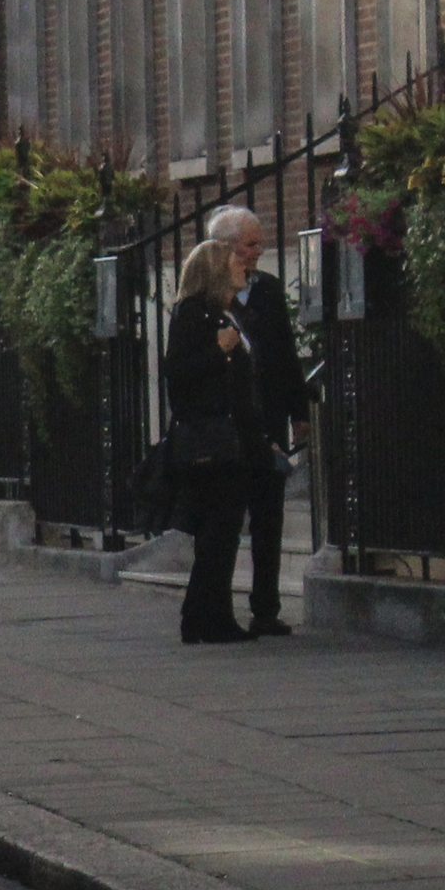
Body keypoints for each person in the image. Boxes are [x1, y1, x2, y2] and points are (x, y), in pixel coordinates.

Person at [205, 206, 311, 636]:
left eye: (259, 243)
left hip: (268, 418)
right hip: (229, 428)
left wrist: (299, 412)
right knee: (227, 520)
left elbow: (284, 353)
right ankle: (216, 607)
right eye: (250, 244)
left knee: (269, 516)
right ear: (228, 248)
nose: (258, 252)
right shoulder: (206, 295)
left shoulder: (266, 289)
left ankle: (265, 607)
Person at [163, 240, 264, 645]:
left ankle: (205, 614)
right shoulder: (192, 314)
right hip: (212, 441)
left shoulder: (229, 313)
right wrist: (219, 353)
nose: (244, 266)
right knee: (218, 530)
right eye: (235, 261)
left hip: (235, 437)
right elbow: (179, 376)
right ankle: (205, 617)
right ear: (215, 271)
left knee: (222, 532)